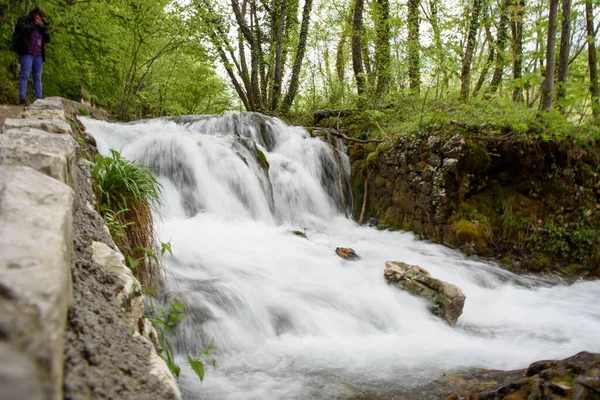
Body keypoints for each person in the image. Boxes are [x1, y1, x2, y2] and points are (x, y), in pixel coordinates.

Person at [10, 7, 50, 105]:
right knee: (25, 74)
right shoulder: (24, 20)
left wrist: (42, 28)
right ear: (33, 13)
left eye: (41, 15)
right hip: (27, 52)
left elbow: (48, 39)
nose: (39, 17)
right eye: (38, 14)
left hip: (39, 54)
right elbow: (23, 30)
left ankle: (39, 99)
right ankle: (22, 98)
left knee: (37, 76)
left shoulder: (41, 25)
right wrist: (34, 24)